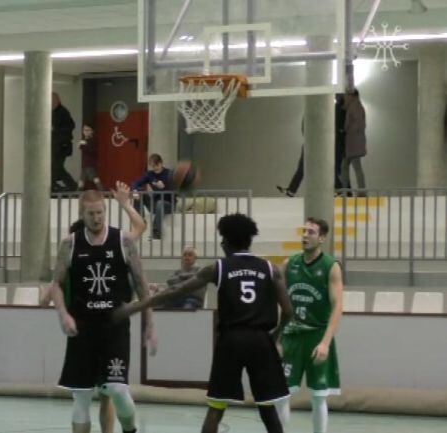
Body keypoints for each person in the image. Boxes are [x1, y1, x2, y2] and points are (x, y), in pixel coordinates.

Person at [115, 213, 292, 433]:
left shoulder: (217, 268)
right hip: (261, 341)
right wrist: (275, 335)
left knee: (216, 409)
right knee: (267, 408)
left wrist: (135, 307)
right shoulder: (270, 269)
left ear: (225, 242)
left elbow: (174, 291)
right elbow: (288, 311)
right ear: (249, 240)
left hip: (231, 341)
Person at [40, 181, 147, 433]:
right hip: (85, 326)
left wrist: (124, 204)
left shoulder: (118, 240)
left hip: (111, 324)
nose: (97, 219)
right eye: (91, 214)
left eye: (100, 213)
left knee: (111, 391)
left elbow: (140, 227)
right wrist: (62, 312)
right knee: (87, 395)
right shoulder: (70, 248)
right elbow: (52, 288)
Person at [276, 217, 343, 433]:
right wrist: (277, 337)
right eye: (303, 231)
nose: (305, 235)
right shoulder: (289, 264)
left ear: (322, 238)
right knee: (281, 394)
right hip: (291, 336)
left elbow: (337, 307)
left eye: (311, 232)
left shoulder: (331, 267)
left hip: (317, 337)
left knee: (318, 396)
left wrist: (325, 343)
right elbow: (280, 304)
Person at [131, 153, 173, 240]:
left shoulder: (169, 173)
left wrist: (164, 187)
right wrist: (135, 192)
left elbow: (175, 191)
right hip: (155, 203)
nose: (155, 168)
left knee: (160, 203)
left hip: (168, 204)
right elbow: (135, 183)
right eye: (152, 166)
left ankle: (156, 231)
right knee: (140, 192)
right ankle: (140, 221)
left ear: (161, 163)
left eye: (156, 165)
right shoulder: (150, 174)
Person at [341, 89, 367, 195]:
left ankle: (360, 192)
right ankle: (349, 191)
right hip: (353, 142)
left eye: (346, 95)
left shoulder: (355, 106)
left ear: (351, 95)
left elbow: (359, 123)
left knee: (354, 167)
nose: (344, 97)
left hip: (354, 142)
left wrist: (347, 130)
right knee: (347, 167)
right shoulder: (354, 106)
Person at [52, 92, 77, 192]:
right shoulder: (54, 112)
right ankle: (55, 187)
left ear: (58, 101)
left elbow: (70, 126)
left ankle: (72, 187)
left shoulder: (63, 112)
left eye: (53, 101)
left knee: (57, 167)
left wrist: (55, 130)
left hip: (61, 145)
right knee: (54, 167)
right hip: (55, 145)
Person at [78, 124, 104, 191]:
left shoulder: (92, 140)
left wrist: (83, 145)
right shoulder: (85, 140)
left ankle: (103, 192)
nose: (85, 132)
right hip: (85, 163)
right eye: (84, 130)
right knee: (82, 180)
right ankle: (77, 194)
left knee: (94, 178)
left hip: (90, 163)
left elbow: (91, 150)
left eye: (87, 130)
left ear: (92, 131)